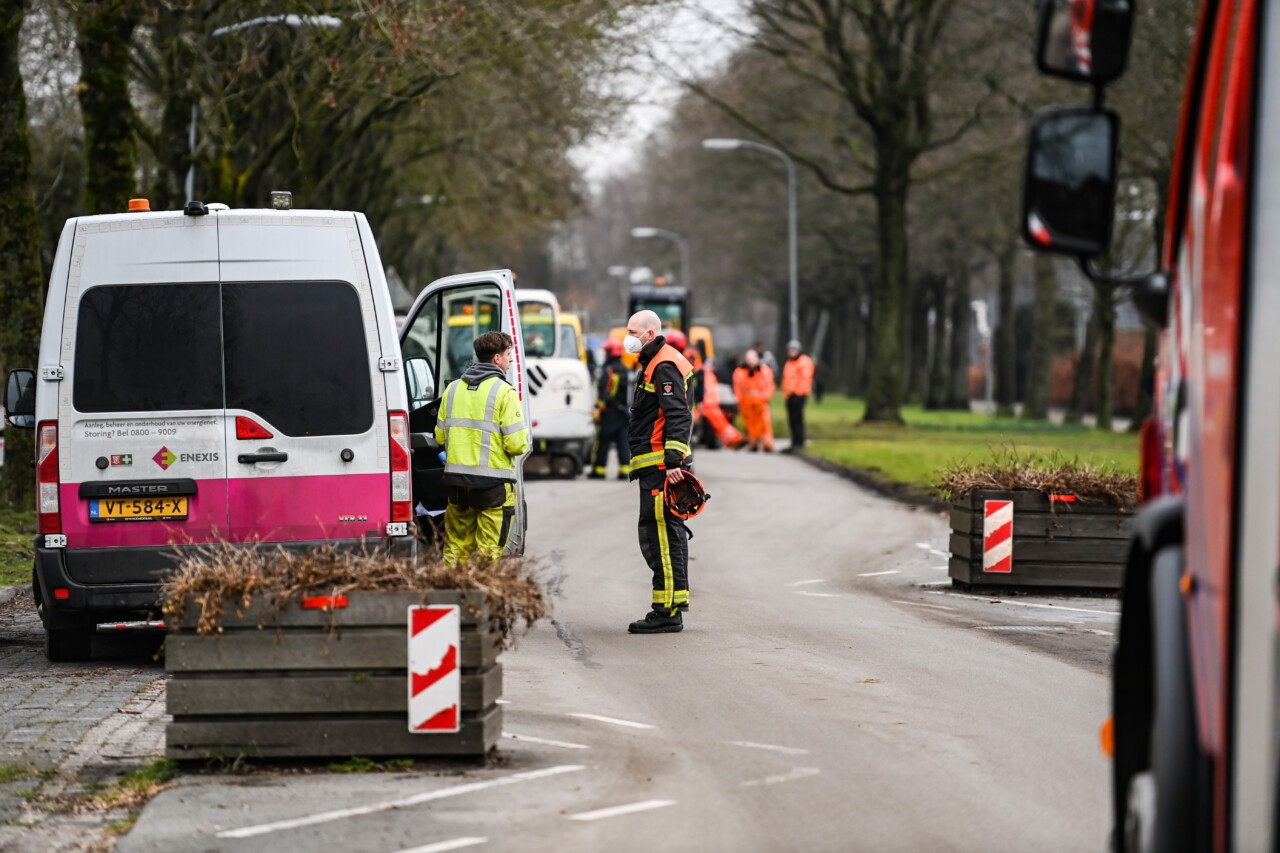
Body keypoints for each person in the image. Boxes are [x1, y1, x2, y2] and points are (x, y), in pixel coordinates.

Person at [624, 310, 694, 634]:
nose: (627, 337)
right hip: (657, 466)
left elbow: (678, 416)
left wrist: (674, 464)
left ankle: (666, 611)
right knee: (665, 535)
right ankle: (672, 603)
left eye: (632, 331)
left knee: (660, 536)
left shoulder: (663, 365)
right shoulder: (655, 362)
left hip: (661, 468)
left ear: (650, 334)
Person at [434, 331, 529, 567]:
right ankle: (478, 598)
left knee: (456, 548)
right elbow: (517, 444)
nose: (511, 360)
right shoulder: (504, 392)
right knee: (487, 552)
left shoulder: (453, 389)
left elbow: (440, 436)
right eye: (508, 355)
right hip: (493, 487)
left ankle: (451, 595)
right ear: (497, 358)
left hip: (458, 485)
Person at [589, 338, 631, 480]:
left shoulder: (608, 371)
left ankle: (599, 472)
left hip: (609, 414)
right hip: (624, 414)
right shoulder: (626, 370)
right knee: (623, 444)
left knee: (602, 443)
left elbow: (604, 392)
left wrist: (598, 409)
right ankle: (624, 471)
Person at [734, 349, 776, 452]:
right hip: (747, 404)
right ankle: (753, 444)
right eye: (749, 360)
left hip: (761, 402)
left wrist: (763, 398)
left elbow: (768, 387)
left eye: (753, 360)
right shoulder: (740, 372)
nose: (751, 362)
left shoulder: (764, 371)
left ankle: (767, 444)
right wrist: (741, 400)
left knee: (764, 423)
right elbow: (738, 388)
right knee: (750, 424)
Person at [781, 340, 815, 452]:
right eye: (790, 350)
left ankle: (799, 443)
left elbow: (805, 380)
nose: (791, 352)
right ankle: (794, 442)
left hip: (799, 395)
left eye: (794, 350)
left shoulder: (804, 362)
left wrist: (798, 394)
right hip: (790, 395)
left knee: (797, 419)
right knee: (791, 420)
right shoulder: (789, 363)